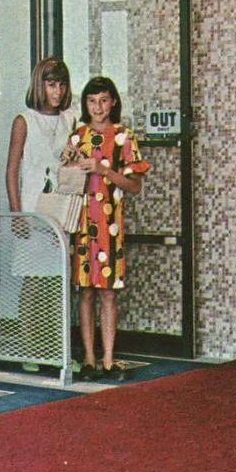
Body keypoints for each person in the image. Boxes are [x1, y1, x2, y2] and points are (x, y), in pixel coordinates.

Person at [63, 76, 150, 380]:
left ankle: (109, 359)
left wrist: (104, 170)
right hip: (81, 224)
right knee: (85, 292)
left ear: (113, 102)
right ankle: (89, 358)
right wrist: (69, 164)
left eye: (103, 101)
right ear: (84, 104)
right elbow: (64, 180)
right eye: (91, 101)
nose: (98, 107)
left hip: (110, 225)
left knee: (108, 293)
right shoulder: (77, 137)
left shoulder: (124, 137)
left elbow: (134, 185)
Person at [5, 56, 77, 372]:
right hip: (33, 210)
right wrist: (16, 213)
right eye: (51, 85)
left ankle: (58, 350)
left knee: (59, 283)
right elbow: (12, 170)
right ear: (40, 85)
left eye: (61, 85)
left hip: (61, 210)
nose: (57, 91)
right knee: (33, 282)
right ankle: (31, 349)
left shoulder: (70, 120)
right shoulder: (24, 120)